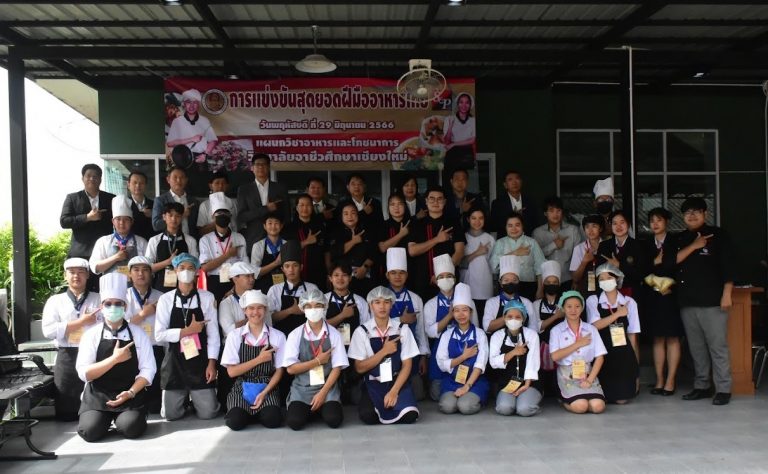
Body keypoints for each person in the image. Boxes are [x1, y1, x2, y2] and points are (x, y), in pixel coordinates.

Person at [75, 273, 156, 442]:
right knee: (89, 431)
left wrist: (131, 392)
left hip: (130, 393)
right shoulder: (91, 335)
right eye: (108, 303)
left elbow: (148, 369)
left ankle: (125, 419)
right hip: (98, 394)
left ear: (125, 306)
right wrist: (114, 359)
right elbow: (85, 373)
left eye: (118, 303)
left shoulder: (138, 334)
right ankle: (103, 420)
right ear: (102, 306)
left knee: (131, 428)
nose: (113, 307)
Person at [675, 197, 734, 406]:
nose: (691, 215)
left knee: (717, 346)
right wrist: (694, 246)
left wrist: (727, 292)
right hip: (688, 301)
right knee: (696, 348)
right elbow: (672, 262)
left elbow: (728, 266)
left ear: (705, 214)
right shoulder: (681, 238)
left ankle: (724, 388)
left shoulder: (718, 235)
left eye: (696, 211)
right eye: (687, 212)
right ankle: (702, 386)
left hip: (713, 301)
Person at [155, 253, 220, 420]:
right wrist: (187, 331)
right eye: (182, 268)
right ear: (175, 271)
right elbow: (159, 335)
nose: (186, 271)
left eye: (191, 268)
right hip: (174, 362)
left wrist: (212, 363)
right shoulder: (165, 299)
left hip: (200, 362)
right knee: (170, 415)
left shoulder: (207, 297)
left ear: (197, 272)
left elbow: (213, 334)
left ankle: (195, 400)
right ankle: (184, 401)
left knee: (209, 413)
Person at [348, 286, 420, 425]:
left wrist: (394, 391)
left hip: (397, 382)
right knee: (368, 416)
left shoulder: (402, 329)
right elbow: (359, 368)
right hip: (373, 383)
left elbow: (407, 365)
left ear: (392, 305)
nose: (382, 306)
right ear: (370, 305)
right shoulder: (361, 332)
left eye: (386, 302)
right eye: (377, 302)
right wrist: (384, 351)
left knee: (410, 416)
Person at [42, 258, 102, 421]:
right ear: (65, 276)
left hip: (94, 354)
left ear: (88, 275)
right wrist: (81, 322)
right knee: (66, 409)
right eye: (72, 272)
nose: (76, 276)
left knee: (95, 404)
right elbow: (48, 330)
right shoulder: (55, 301)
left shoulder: (99, 298)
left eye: (81, 272)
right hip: (67, 355)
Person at [283, 289, 349, 430]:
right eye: (308, 306)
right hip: (302, 388)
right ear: (302, 309)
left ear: (324, 306)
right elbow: (290, 369)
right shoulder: (295, 335)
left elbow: (337, 367)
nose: (313, 309)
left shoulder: (334, 334)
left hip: (327, 388)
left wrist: (323, 393)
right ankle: (314, 410)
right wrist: (318, 361)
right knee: (294, 422)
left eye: (317, 305)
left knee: (334, 420)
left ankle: (318, 409)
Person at [221, 290, 286, 431]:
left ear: (265, 309)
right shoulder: (235, 336)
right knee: (235, 422)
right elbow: (231, 372)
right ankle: (249, 413)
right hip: (242, 386)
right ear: (244, 310)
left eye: (259, 308)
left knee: (273, 420)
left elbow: (279, 370)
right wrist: (259, 359)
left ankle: (257, 413)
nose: (255, 312)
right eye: (251, 308)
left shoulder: (277, 336)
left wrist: (264, 393)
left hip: (267, 386)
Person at [423, 254, 478, 400]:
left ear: (454, 278)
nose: (445, 279)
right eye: (441, 277)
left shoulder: (468, 301)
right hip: (440, 353)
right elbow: (430, 332)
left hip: (466, 352)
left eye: (449, 276)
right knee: (437, 395)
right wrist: (449, 316)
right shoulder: (430, 304)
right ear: (435, 280)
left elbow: (476, 328)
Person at [585, 264, 640, 404]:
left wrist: (635, 365)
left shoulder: (630, 302)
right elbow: (595, 326)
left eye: (609, 277)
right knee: (601, 397)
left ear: (617, 279)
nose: (605, 281)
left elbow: (632, 334)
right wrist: (617, 314)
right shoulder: (593, 300)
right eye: (601, 279)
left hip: (623, 353)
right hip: (602, 352)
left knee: (622, 400)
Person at [644, 207, 684, 396]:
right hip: (653, 296)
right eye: (652, 220)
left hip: (672, 296)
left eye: (659, 220)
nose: (655, 224)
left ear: (666, 222)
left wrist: (669, 285)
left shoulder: (676, 242)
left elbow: (681, 267)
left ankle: (671, 380)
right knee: (658, 338)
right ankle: (659, 380)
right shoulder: (646, 244)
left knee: (673, 338)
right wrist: (654, 263)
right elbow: (640, 270)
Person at [435, 283, 489, 415]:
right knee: (447, 406)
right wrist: (463, 357)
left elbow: (480, 364)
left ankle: (472, 397)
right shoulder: (447, 335)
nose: (461, 314)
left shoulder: (480, 334)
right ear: (452, 313)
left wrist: (466, 387)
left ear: (471, 312)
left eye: (465, 310)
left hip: (474, 381)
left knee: (465, 406)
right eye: (457, 310)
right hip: (452, 380)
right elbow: (442, 363)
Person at [550, 291, 607, 414]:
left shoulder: (591, 329)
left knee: (598, 407)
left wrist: (590, 380)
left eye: (577, 306)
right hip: (567, 375)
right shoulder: (556, 330)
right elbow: (554, 356)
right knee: (581, 406)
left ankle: (580, 397)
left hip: (588, 374)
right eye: (569, 306)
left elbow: (600, 357)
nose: (573, 310)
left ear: (582, 308)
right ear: (563, 308)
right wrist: (578, 344)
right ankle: (563, 400)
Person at [60, 164, 115, 290]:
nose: (92, 179)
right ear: (82, 178)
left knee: (105, 290)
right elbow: (64, 221)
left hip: (105, 254)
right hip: (81, 252)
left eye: (95, 176)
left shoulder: (111, 198)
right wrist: (87, 217)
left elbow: (119, 221)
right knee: (80, 290)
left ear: (100, 179)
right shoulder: (72, 198)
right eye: (88, 176)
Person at [385, 247, 429, 400]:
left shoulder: (416, 299)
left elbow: (421, 330)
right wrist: (400, 320)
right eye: (393, 273)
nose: (397, 276)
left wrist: (423, 356)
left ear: (407, 275)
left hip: (411, 353)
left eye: (401, 273)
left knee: (418, 395)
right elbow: (372, 325)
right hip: (387, 352)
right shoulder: (380, 297)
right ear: (387, 275)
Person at [408, 185, 466, 299]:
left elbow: (459, 252)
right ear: (426, 201)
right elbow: (412, 251)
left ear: (444, 202)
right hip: (421, 280)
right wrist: (437, 239)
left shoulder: (453, 223)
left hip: (448, 280)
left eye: (439, 199)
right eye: (432, 198)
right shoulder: (417, 224)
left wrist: (442, 274)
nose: (436, 202)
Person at [124, 256, 164, 414]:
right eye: (136, 270)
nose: (141, 273)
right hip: (132, 347)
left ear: (151, 274)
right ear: (129, 274)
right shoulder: (123, 296)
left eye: (145, 270)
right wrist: (144, 313)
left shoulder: (161, 297)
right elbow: (121, 325)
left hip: (156, 347)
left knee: (155, 390)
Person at [489, 300, 542, 417]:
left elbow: (533, 362)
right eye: (510, 316)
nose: (513, 319)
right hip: (507, 383)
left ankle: (528, 399)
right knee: (505, 408)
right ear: (504, 318)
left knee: (524, 409)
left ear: (523, 319)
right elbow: (493, 362)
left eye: (518, 317)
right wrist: (513, 352)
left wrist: (526, 385)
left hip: (529, 383)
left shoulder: (531, 335)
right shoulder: (497, 336)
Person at [237, 153, 290, 255]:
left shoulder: (280, 188)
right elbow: (242, 217)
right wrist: (265, 209)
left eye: (264, 164)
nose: (261, 167)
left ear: (269, 167)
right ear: (252, 168)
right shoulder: (244, 190)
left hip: (278, 238)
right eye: (257, 164)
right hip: (254, 238)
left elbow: (287, 216)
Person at [199, 192, 247, 301]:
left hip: (235, 282)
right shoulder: (205, 239)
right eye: (219, 213)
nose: (223, 216)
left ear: (230, 216)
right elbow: (205, 267)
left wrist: (235, 288)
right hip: (214, 282)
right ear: (213, 216)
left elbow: (245, 265)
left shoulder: (239, 238)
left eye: (226, 213)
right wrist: (227, 255)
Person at [267, 240, 320, 336]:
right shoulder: (274, 290)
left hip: (306, 337)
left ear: (301, 267)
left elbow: (320, 315)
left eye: (295, 265)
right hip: (281, 338)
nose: (291, 270)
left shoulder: (312, 288)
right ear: (282, 269)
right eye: (287, 266)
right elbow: (269, 318)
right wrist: (290, 310)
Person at [489, 212, 545, 301]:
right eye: (510, 226)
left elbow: (540, 267)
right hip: (506, 287)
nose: (514, 229)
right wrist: (515, 253)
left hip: (529, 286)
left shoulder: (532, 242)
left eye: (517, 225)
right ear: (505, 227)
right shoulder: (500, 243)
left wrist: (540, 290)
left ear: (522, 226)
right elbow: (493, 266)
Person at [145, 202, 199, 293]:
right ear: (164, 217)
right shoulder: (154, 240)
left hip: (184, 288)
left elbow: (195, 267)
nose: (174, 219)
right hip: (159, 288)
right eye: (170, 215)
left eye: (178, 216)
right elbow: (148, 268)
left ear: (182, 218)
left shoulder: (190, 241)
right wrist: (168, 262)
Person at [89, 195, 148, 277]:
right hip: (110, 284)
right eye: (118, 219)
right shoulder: (103, 241)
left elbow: (149, 267)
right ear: (113, 221)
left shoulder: (142, 242)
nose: (121, 223)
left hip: (135, 284)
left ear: (132, 222)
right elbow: (96, 268)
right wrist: (116, 257)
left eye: (126, 219)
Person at [530, 260, 564, 396]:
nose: (551, 285)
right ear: (543, 284)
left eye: (554, 282)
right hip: (542, 347)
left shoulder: (565, 302)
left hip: (562, 347)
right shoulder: (536, 304)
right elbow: (536, 327)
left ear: (559, 284)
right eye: (548, 282)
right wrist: (556, 316)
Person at [533, 196, 581, 292]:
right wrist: (553, 245)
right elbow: (535, 257)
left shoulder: (573, 230)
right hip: (546, 280)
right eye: (551, 211)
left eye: (558, 211)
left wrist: (576, 280)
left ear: (562, 212)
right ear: (545, 213)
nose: (555, 214)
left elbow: (578, 258)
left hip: (568, 279)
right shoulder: (538, 233)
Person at [328, 202, 377, 297]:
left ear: (358, 215)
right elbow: (334, 253)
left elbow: (374, 252)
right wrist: (353, 241)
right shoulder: (335, 233)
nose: (350, 216)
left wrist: (365, 267)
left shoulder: (367, 231)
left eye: (353, 213)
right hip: (342, 279)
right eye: (346, 214)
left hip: (364, 277)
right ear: (341, 216)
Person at [596, 210, 645, 298]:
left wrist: (619, 265)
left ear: (628, 224)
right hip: (608, 294)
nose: (618, 226)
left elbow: (641, 274)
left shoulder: (638, 246)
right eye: (614, 223)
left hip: (632, 294)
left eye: (622, 222)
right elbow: (598, 272)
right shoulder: (604, 246)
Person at [284, 193, 328, 291]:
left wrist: (329, 271)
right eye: (302, 205)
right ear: (296, 208)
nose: (305, 208)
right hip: (296, 274)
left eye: (308, 205)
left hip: (318, 272)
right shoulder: (289, 228)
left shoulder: (320, 226)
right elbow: (286, 251)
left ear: (312, 207)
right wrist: (306, 242)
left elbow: (326, 250)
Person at [482, 255, 534, 336]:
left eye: (514, 280)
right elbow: (487, 327)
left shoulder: (527, 303)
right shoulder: (491, 302)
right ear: (501, 283)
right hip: (497, 342)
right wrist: (510, 316)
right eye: (506, 280)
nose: (510, 283)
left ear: (518, 282)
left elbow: (533, 327)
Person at [166, 88, 218, 160]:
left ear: (198, 104)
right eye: (188, 102)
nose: (191, 106)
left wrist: (205, 154)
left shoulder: (205, 120)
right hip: (183, 158)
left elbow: (213, 140)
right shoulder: (177, 121)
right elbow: (170, 143)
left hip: (201, 157)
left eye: (195, 102)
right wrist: (191, 139)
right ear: (184, 104)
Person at [460, 207, 495, 313]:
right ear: (468, 219)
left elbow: (494, 264)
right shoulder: (463, 238)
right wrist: (477, 253)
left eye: (481, 218)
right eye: (473, 218)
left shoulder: (490, 238)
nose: (477, 221)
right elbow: (460, 263)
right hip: (467, 283)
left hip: (485, 284)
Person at [151, 166, 199, 239]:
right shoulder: (161, 200)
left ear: (186, 180)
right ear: (168, 179)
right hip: (169, 241)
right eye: (175, 177)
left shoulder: (193, 201)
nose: (178, 180)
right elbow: (156, 225)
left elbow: (197, 226)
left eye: (182, 177)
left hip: (190, 241)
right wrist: (181, 215)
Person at [490, 170, 537, 237]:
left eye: (517, 179)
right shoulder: (497, 203)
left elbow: (535, 224)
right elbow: (493, 226)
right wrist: (513, 216)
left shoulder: (530, 201)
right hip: (505, 241)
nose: (514, 182)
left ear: (521, 182)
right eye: (510, 179)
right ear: (505, 185)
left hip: (526, 239)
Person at [218, 262, 260, 338]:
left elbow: (268, 324)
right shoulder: (226, 303)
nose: (252, 279)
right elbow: (229, 330)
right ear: (235, 278)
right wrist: (253, 319)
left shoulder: (260, 298)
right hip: (236, 343)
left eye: (252, 276)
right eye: (247, 276)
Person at [442, 92, 477, 180]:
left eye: (467, 102)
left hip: (467, 153)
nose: (464, 105)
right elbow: (446, 142)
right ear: (457, 104)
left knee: (466, 179)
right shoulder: (449, 119)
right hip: (452, 154)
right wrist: (450, 127)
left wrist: (454, 144)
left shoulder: (473, 121)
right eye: (461, 102)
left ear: (470, 105)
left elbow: (472, 140)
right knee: (451, 179)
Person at [250, 212, 287, 293]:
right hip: (263, 288)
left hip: (283, 287)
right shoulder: (258, 246)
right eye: (270, 223)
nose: (273, 226)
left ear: (281, 226)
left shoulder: (286, 245)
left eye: (276, 223)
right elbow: (255, 273)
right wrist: (276, 263)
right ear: (264, 226)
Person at [569, 214, 604, 298]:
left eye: (594, 226)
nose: (590, 230)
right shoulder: (579, 248)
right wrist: (584, 261)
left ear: (600, 228)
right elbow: (575, 278)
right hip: (585, 291)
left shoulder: (608, 246)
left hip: (605, 290)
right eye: (587, 227)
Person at [197, 171, 239, 236]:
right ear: (210, 186)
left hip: (232, 239)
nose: (220, 186)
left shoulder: (233, 203)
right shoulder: (204, 205)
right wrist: (219, 221)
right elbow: (201, 231)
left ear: (227, 185)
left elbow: (238, 226)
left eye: (223, 183)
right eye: (217, 183)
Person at [126, 170, 154, 241]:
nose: (138, 186)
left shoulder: (154, 204)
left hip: (149, 242)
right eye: (135, 182)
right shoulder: (125, 204)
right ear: (128, 185)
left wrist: (153, 215)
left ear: (146, 185)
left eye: (141, 183)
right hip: (130, 242)